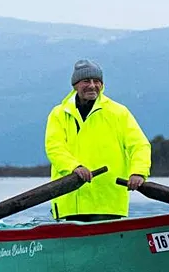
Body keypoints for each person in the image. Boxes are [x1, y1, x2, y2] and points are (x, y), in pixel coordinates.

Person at [44, 59, 152, 222]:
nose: (92, 85)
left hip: (108, 201)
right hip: (69, 200)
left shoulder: (119, 113)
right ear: (75, 85)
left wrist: (138, 172)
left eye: (97, 81)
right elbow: (54, 147)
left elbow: (139, 145)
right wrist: (74, 167)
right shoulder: (58, 113)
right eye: (86, 81)